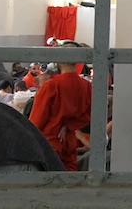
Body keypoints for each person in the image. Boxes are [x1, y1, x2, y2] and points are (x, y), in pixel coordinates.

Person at [29, 42, 92, 171]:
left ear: (58, 61)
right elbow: (89, 115)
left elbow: (36, 121)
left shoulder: (50, 86)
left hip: (49, 142)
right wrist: (68, 126)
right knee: (70, 180)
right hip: (69, 141)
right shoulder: (86, 86)